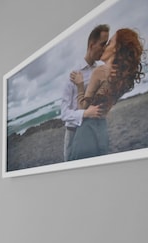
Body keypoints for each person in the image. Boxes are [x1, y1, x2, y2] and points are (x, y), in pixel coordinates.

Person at [67, 28, 145, 161]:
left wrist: (80, 85)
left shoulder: (100, 71)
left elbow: (82, 108)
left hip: (87, 130)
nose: (105, 47)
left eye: (109, 43)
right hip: (102, 130)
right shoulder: (122, 78)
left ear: (117, 48)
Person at [60, 24, 109, 161]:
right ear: (92, 45)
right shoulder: (73, 74)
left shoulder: (100, 71)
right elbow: (64, 113)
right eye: (102, 44)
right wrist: (85, 113)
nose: (104, 49)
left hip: (95, 128)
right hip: (74, 133)